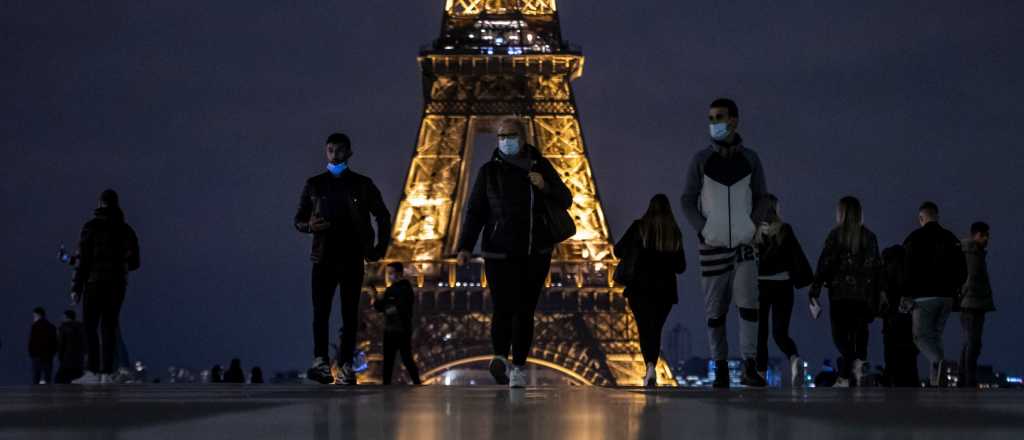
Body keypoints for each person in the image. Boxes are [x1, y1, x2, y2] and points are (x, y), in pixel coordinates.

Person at [456, 118, 573, 389]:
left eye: (511, 135)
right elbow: (475, 212)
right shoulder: (488, 172)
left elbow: (565, 199)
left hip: (534, 251)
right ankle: (500, 356)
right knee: (503, 308)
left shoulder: (541, 166)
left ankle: (518, 365)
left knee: (524, 311)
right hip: (499, 251)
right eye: (501, 136)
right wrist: (464, 246)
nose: (506, 140)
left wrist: (544, 186)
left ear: (523, 136)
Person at [680, 98, 769, 388]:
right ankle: (720, 366)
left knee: (748, 307)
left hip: (743, 246)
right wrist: (704, 230)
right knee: (715, 311)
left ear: (734, 120)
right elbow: (687, 198)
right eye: (711, 117)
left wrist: (751, 226)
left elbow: (762, 196)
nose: (714, 122)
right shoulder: (700, 159)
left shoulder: (751, 159)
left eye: (719, 116)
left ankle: (749, 365)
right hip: (712, 246)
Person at [294, 132, 391, 385]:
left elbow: (383, 215)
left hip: (350, 257)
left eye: (339, 150)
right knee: (322, 313)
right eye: (330, 150)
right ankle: (322, 362)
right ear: (326, 152)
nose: (334, 155)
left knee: (348, 314)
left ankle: (344, 364)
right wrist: (310, 226)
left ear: (349, 153)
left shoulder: (362, 184)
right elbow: (298, 220)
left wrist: (380, 248)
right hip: (324, 257)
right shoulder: (314, 184)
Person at [614, 194, 687, 388]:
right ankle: (652, 366)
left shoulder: (639, 227)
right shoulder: (674, 231)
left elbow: (618, 251)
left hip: (640, 289)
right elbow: (681, 266)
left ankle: (650, 368)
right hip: (665, 292)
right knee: (656, 330)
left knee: (644, 330)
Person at [809, 196, 883, 387]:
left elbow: (824, 264)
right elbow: (877, 269)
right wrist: (879, 295)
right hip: (863, 296)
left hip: (839, 294)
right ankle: (856, 367)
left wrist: (814, 290)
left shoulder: (835, 236)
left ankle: (850, 368)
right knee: (860, 333)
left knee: (840, 336)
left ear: (841, 213)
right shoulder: (870, 237)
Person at [70, 189, 141, 384]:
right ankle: (106, 372)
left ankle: (92, 370)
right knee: (109, 326)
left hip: (94, 282)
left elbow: (82, 260)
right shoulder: (126, 230)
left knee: (90, 326)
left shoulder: (90, 227)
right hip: (117, 284)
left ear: (100, 203)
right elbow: (135, 262)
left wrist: (76, 287)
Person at [901, 201, 967, 387]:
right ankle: (936, 380)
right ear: (937, 216)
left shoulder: (914, 238)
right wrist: (954, 288)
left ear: (921, 218)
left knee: (920, 337)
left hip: (923, 297)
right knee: (936, 336)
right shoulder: (951, 238)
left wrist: (906, 294)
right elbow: (962, 270)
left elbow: (906, 269)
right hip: (947, 296)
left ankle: (939, 361)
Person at [752, 194, 813, 387]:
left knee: (760, 334)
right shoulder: (785, 230)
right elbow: (797, 257)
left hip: (760, 287)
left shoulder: (753, 232)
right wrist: (808, 282)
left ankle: (760, 374)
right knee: (780, 332)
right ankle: (794, 358)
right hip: (783, 286)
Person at [374, 262, 422, 385]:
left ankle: (387, 384)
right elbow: (381, 307)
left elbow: (399, 307)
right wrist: (377, 297)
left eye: (391, 273)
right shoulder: (393, 290)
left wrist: (386, 307)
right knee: (401, 358)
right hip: (395, 329)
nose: (388, 276)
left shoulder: (403, 289)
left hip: (399, 329)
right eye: (388, 273)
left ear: (399, 274)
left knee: (397, 359)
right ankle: (416, 382)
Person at [959, 221, 993, 388]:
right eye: (984, 235)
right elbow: (971, 278)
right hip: (972, 303)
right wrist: (967, 293)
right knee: (973, 343)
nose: (987, 238)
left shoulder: (975, 252)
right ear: (975, 235)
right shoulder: (972, 252)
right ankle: (968, 380)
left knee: (970, 343)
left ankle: (963, 379)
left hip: (973, 303)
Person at [880, 245, 919, 387]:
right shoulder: (911, 272)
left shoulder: (885, 272)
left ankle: (893, 382)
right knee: (910, 358)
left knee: (892, 357)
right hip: (909, 320)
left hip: (891, 320)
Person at [55, 310, 86, 384]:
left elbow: (61, 344)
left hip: (67, 359)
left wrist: (60, 357)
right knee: (76, 381)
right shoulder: (81, 327)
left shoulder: (63, 327)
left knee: (60, 379)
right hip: (79, 360)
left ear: (66, 317)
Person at [28, 307, 58, 384]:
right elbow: (55, 342)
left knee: (36, 377)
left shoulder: (35, 326)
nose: (33, 318)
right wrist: (53, 352)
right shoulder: (51, 326)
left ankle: (36, 394)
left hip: (37, 355)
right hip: (48, 355)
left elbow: (32, 341)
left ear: (38, 315)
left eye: (34, 316)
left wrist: (31, 353)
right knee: (48, 376)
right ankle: (48, 393)